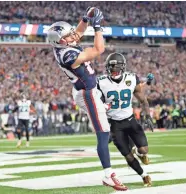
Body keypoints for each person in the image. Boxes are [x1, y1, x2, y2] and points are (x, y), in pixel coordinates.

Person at [47, 7, 127, 191]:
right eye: (68, 36)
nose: (73, 36)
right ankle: (108, 175)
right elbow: (99, 49)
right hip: (87, 93)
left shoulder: (63, 44)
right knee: (102, 132)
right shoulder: (67, 54)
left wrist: (86, 17)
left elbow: (78, 32)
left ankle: (104, 117)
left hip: (91, 89)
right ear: (60, 41)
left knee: (109, 123)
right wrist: (97, 26)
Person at [97, 52, 155, 187]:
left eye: (116, 67)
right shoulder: (101, 82)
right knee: (128, 155)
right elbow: (96, 104)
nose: (113, 70)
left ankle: (140, 154)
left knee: (144, 150)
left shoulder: (131, 78)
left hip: (130, 120)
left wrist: (147, 115)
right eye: (111, 67)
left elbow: (143, 100)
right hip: (114, 125)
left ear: (123, 67)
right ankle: (144, 175)